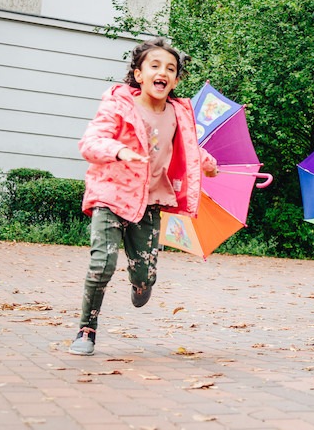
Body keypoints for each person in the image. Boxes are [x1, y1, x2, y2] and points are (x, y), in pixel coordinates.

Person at [69, 38, 218, 356]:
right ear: (138, 74)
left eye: (170, 68)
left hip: (150, 200)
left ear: (175, 80)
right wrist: (119, 150)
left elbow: (189, 147)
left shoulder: (178, 113)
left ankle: (141, 283)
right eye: (155, 65)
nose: (162, 72)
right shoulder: (118, 105)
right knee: (102, 264)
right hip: (110, 193)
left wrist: (207, 164)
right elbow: (91, 142)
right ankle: (86, 329)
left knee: (145, 273)